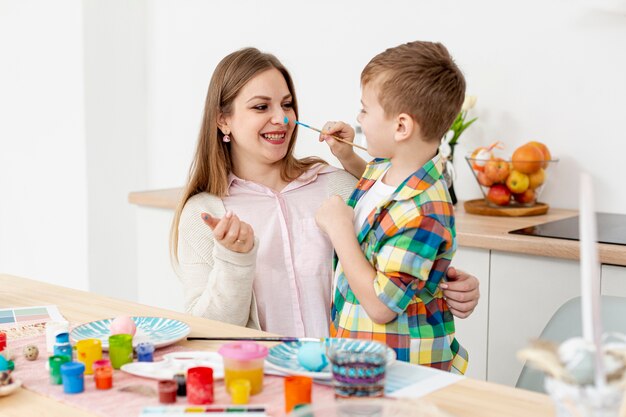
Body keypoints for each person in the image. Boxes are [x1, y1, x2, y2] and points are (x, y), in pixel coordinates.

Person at [169, 47, 479, 338]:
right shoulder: (205, 214)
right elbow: (207, 332)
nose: (283, 118)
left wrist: (443, 280)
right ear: (223, 119)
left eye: (287, 104)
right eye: (261, 106)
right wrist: (234, 258)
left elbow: (395, 250)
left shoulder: (336, 186)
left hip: (347, 376)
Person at [315, 41, 468, 373]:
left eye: (365, 110)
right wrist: (347, 157)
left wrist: (340, 231)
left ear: (401, 126)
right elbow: (381, 204)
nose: (358, 119)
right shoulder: (386, 167)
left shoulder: (427, 211)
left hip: (402, 371)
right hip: (361, 353)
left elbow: (382, 306)